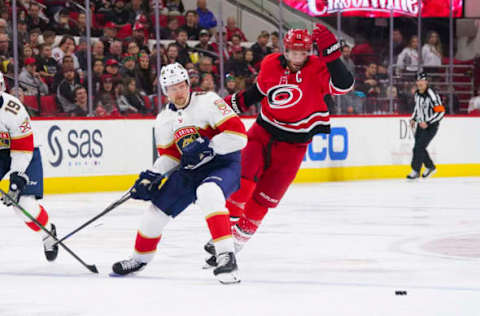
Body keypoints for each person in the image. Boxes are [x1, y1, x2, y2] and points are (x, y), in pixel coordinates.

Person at [203, 26, 354, 265]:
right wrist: (220, 110)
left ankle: (237, 243)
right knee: (242, 180)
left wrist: (333, 56)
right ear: (285, 49)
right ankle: (222, 236)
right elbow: (255, 94)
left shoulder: (318, 67)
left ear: (309, 52)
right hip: (262, 132)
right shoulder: (271, 63)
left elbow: (345, 85)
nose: (297, 57)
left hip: (294, 145)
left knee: (265, 199)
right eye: (293, 51)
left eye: (302, 52)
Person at [111, 63, 247, 284]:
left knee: (208, 192)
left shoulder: (208, 101)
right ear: (165, 91)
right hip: (190, 171)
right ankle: (139, 259)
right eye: (172, 88)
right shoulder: (164, 119)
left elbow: (239, 136)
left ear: (188, 84)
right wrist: (152, 175)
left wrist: (208, 146)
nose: (179, 92)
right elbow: (171, 156)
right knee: (155, 211)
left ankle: (225, 256)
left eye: (181, 86)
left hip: (223, 164)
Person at [0, 73, 59, 262]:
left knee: (23, 205)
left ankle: (48, 233)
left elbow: (22, 148)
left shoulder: (13, 110)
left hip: (25, 152)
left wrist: (16, 178)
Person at [407, 72, 445, 179]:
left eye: (422, 80)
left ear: (426, 82)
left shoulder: (432, 94)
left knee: (418, 147)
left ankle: (415, 170)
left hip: (431, 126)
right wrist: (414, 118)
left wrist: (428, 122)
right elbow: (417, 108)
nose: (420, 83)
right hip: (420, 125)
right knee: (419, 147)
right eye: (418, 80)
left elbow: (441, 111)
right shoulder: (417, 94)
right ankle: (430, 166)